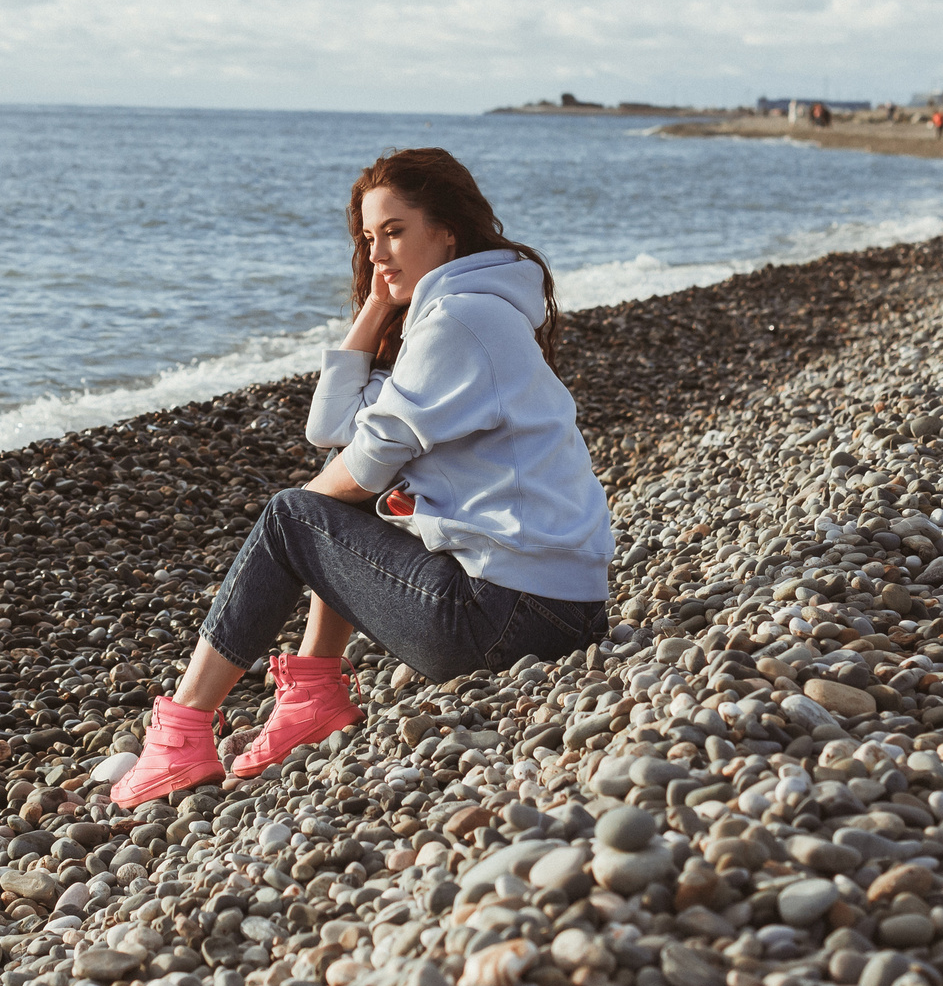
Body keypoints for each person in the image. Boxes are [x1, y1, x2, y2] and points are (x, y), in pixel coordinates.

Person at [112, 148, 612, 809]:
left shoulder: (460, 318)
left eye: (396, 231)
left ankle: (180, 734)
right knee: (329, 502)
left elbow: (364, 463)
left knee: (297, 514)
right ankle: (312, 692)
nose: (379, 252)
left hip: (510, 618)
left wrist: (288, 534)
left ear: (448, 231)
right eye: (369, 238)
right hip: (561, 609)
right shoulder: (471, 309)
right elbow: (334, 428)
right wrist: (375, 309)